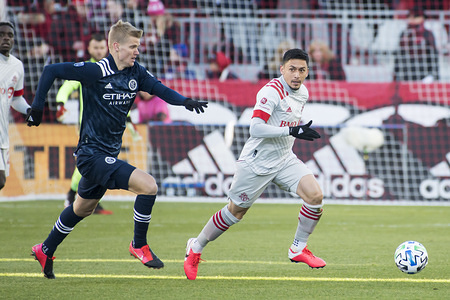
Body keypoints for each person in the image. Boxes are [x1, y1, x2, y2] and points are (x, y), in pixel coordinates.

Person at [26, 19, 208, 279]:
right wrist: (38, 106)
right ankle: (138, 245)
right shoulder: (95, 71)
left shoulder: (136, 73)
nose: (137, 51)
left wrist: (186, 102)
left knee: (82, 209)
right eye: (133, 46)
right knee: (149, 186)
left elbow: (159, 90)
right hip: (91, 155)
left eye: (138, 46)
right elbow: (51, 71)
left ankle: (45, 248)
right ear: (115, 46)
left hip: (107, 155)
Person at [184, 48, 325, 280]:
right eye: (292, 69)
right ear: (282, 69)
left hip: (284, 158)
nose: (297, 75)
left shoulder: (303, 93)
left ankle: (298, 248)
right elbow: (255, 128)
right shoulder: (271, 91)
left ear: (308, 72)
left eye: (301, 70)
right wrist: (292, 130)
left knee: (315, 197)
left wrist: (292, 132)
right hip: (256, 162)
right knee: (235, 213)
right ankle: (196, 246)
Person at [56, 32, 118, 214]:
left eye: (101, 47)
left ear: (106, 48)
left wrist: (128, 119)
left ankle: (79, 197)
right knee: (92, 163)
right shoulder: (85, 69)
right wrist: (61, 102)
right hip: (89, 127)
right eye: (95, 47)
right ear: (89, 49)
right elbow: (68, 85)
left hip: (109, 128)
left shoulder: (112, 68)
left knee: (97, 163)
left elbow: (118, 97)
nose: (99, 50)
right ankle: (76, 196)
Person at [0, 21, 32, 191]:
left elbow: (16, 98)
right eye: (1, 35)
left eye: (9, 35)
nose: (6, 38)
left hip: (2, 132)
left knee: (1, 181)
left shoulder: (17, 65)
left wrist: (28, 110)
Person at [393, 7, 439, 82]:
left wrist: (434, 76)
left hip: (424, 74)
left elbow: (433, 56)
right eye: (410, 17)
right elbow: (399, 55)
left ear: (422, 18)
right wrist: (396, 74)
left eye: (416, 17)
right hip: (406, 74)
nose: (412, 19)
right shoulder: (404, 34)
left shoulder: (428, 34)